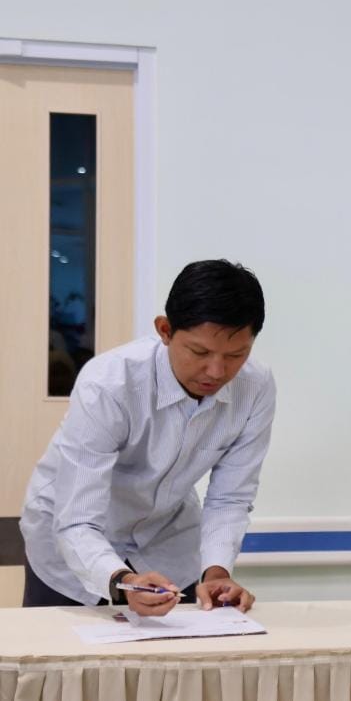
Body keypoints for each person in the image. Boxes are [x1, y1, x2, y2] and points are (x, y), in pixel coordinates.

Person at [21, 259, 276, 616]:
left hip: (166, 542)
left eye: (236, 355)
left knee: (182, 649)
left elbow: (230, 497)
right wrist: (121, 582)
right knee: (64, 648)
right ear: (165, 330)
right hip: (71, 545)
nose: (217, 371)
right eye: (200, 352)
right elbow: (77, 517)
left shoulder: (255, 387)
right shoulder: (109, 384)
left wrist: (217, 573)